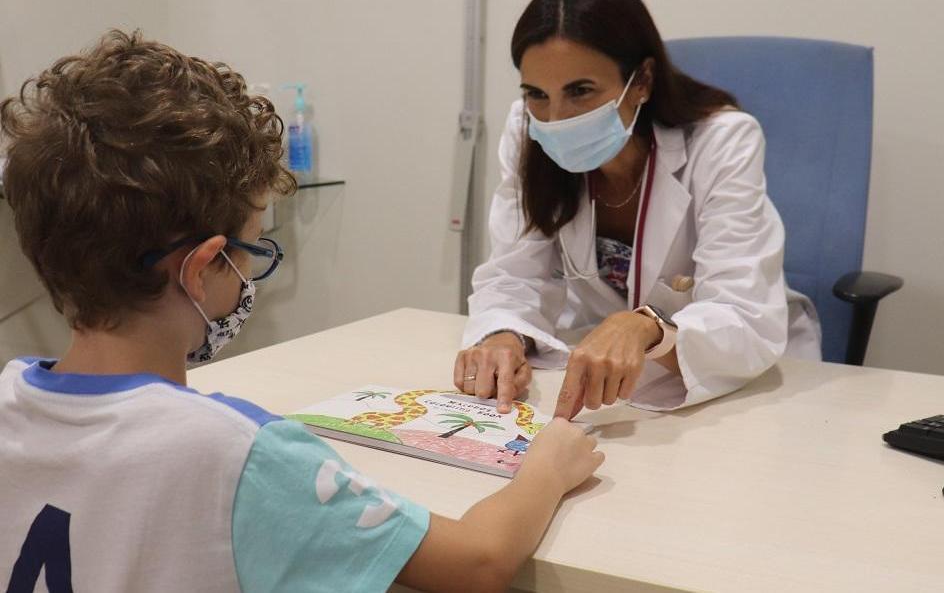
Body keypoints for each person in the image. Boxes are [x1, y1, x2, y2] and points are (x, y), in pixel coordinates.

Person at [0, 30, 603, 593]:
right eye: (253, 249)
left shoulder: (9, 402)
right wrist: (548, 467)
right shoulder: (236, 454)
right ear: (204, 268)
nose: (252, 272)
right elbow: (479, 560)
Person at [455, 0, 821, 419]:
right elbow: (514, 275)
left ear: (642, 80)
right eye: (536, 94)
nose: (555, 118)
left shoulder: (721, 140)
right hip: (606, 384)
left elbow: (742, 312)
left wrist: (649, 328)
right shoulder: (529, 132)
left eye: (581, 91)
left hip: (738, 379)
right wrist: (503, 335)